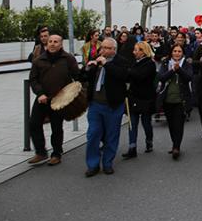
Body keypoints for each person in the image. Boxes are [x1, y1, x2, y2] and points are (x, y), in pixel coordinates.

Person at [27, 34, 80, 166]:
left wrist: (72, 93)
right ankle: (40, 152)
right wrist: (40, 93)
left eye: (55, 42)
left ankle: (56, 153)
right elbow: (33, 80)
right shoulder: (39, 60)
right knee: (33, 124)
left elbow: (77, 77)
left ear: (61, 44)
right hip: (42, 98)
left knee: (56, 128)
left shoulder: (68, 59)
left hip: (59, 99)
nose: (52, 44)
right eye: (50, 41)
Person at [82, 38, 129, 176]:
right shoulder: (96, 59)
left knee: (111, 135)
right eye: (102, 47)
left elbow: (123, 76)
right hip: (96, 104)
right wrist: (87, 67)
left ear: (114, 49)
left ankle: (107, 163)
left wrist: (106, 65)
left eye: (107, 48)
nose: (103, 50)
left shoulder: (121, 61)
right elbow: (83, 77)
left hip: (113, 105)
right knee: (93, 134)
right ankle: (93, 164)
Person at [157, 45, 193, 160]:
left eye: (179, 51)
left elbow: (188, 77)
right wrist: (172, 70)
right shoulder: (165, 63)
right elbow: (161, 77)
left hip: (181, 99)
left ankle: (176, 146)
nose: (177, 53)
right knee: (171, 124)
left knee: (178, 124)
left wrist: (179, 69)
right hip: (167, 98)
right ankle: (174, 143)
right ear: (171, 52)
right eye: (175, 51)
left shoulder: (186, 64)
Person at [122, 42, 157, 159]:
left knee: (146, 123)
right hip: (133, 97)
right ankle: (132, 147)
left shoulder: (150, 64)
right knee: (132, 124)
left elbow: (140, 76)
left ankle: (149, 140)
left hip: (146, 98)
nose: (133, 52)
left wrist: (128, 71)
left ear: (143, 51)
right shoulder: (134, 63)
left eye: (136, 50)